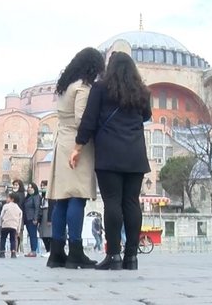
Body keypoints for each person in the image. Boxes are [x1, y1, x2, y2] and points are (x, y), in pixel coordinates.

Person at [71, 51, 151, 271]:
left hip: (109, 153)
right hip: (135, 153)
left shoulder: (100, 88)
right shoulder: (142, 91)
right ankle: (132, 257)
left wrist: (77, 147)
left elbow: (88, 121)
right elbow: (146, 115)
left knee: (113, 203)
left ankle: (114, 255)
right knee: (132, 203)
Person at [47, 47, 105, 269]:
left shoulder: (65, 85)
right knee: (77, 197)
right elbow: (83, 120)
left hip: (61, 141)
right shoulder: (82, 87)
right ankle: (76, 251)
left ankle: (56, 253)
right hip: (77, 145)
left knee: (62, 198)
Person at [0, 192, 23, 259]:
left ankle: (2, 252)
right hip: (14, 226)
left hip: (5, 225)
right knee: (13, 239)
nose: (6, 199)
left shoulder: (6, 206)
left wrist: (1, 224)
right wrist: (18, 230)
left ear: (12, 199)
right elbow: (19, 220)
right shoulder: (19, 209)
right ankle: (13, 252)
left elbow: (1, 216)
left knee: (3, 238)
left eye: (8, 197)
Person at [23, 182, 41, 257]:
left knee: (33, 234)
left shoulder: (36, 196)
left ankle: (34, 251)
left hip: (32, 218)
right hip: (27, 218)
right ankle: (32, 250)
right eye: (28, 187)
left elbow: (37, 208)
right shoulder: (28, 197)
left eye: (31, 187)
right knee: (30, 234)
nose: (29, 189)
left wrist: (35, 218)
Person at [37, 180, 53, 258]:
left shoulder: (51, 196)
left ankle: (50, 250)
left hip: (48, 214)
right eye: (41, 186)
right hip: (42, 214)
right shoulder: (42, 197)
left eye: (44, 186)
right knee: (43, 234)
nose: (42, 187)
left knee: (49, 234)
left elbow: (52, 207)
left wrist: (50, 219)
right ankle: (47, 250)